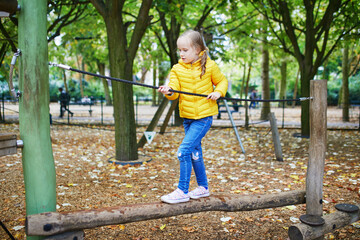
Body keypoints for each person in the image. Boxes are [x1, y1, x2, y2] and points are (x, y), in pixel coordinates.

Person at [158, 30, 228, 204]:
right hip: (188, 118)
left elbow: (222, 81)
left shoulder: (210, 66)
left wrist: (218, 92)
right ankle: (203, 187)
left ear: (197, 49)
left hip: (204, 117)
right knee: (195, 153)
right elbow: (174, 91)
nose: (181, 54)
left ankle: (182, 190)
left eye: (185, 50)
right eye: (179, 50)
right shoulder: (177, 69)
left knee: (183, 152)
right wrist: (168, 91)